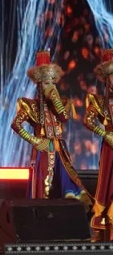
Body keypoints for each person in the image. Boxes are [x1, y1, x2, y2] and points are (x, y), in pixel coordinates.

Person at [11, 50, 92, 208]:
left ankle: (70, 203)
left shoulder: (62, 103)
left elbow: (65, 118)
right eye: (46, 84)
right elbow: (16, 125)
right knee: (43, 185)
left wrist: (55, 100)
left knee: (67, 179)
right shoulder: (31, 106)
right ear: (39, 85)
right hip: (43, 148)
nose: (50, 87)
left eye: (52, 83)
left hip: (59, 147)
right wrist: (34, 140)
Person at [83, 49, 113, 240]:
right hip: (110, 148)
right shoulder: (99, 101)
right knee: (108, 183)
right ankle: (106, 226)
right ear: (107, 79)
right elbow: (87, 121)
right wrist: (105, 134)